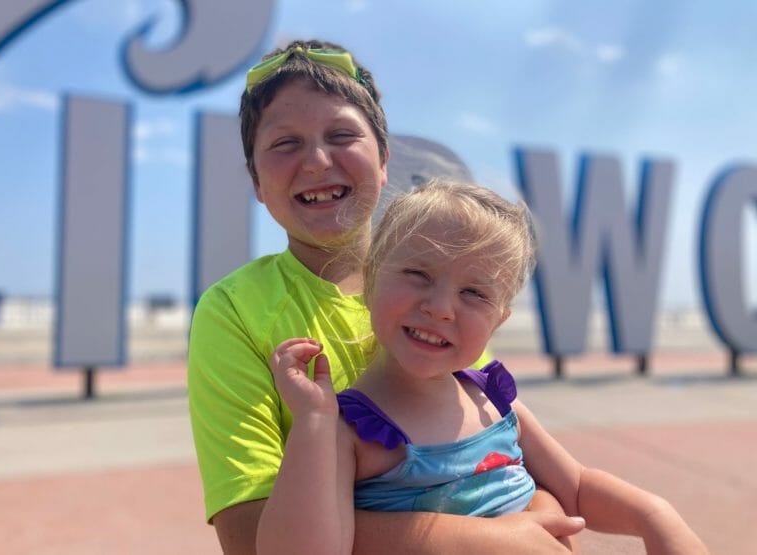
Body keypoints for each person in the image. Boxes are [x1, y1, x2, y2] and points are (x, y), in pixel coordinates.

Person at [188, 39, 586, 554]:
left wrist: (542, 512)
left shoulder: (443, 295)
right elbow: (249, 538)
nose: (315, 161)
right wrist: (484, 538)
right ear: (256, 182)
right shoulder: (234, 311)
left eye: (341, 134)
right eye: (285, 143)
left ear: (384, 163)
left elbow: (508, 457)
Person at [261, 179, 709, 555]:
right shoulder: (348, 429)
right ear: (371, 278)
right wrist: (313, 421)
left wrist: (653, 516)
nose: (439, 309)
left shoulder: (490, 399)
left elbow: (574, 488)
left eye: (474, 294)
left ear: (500, 319)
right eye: (418, 274)